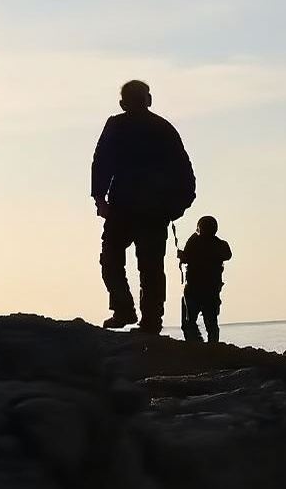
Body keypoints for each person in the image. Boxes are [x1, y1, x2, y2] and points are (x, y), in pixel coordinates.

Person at [91, 80, 196, 334]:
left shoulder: (153, 128)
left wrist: (100, 199)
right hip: (135, 208)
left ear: (123, 103)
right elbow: (102, 162)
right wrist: (100, 198)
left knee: (132, 263)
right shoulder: (156, 128)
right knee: (138, 265)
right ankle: (138, 315)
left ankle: (138, 315)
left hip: (143, 208)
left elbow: (101, 162)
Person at [177, 215, 232, 343]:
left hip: (196, 289)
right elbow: (227, 255)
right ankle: (210, 346)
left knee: (191, 321)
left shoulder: (195, 241)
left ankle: (196, 344)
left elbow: (187, 257)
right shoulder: (219, 244)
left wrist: (182, 256)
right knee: (210, 322)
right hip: (209, 290)